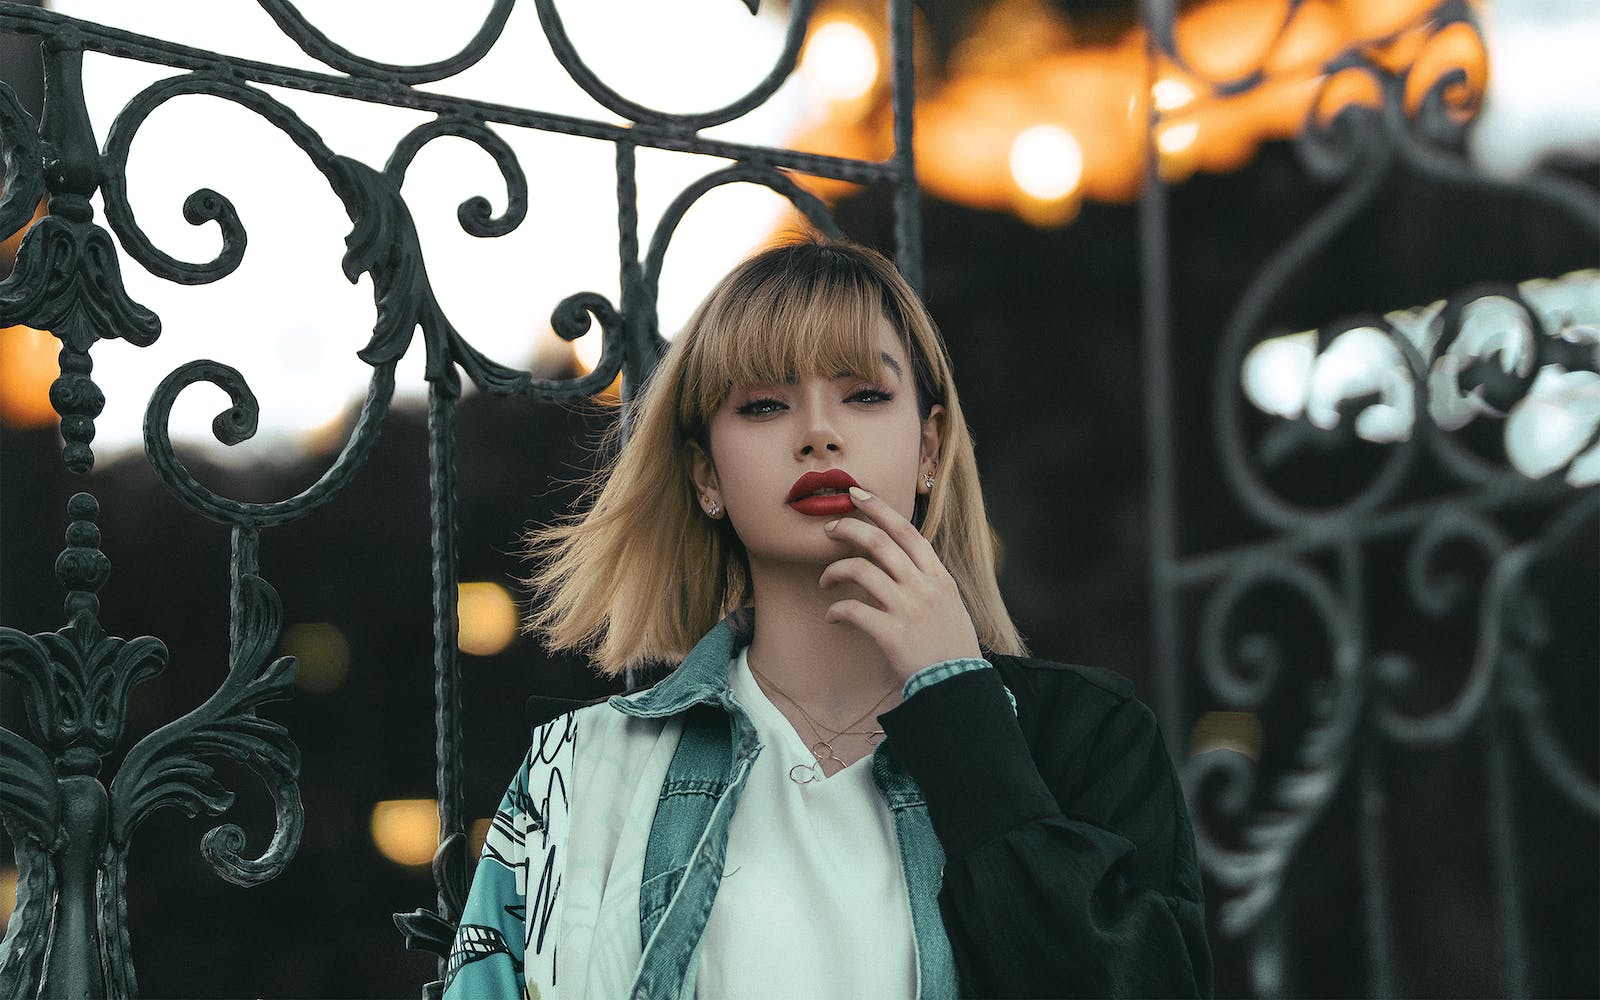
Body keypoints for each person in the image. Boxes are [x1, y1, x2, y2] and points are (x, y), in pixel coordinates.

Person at [441, 237, 1212, 999]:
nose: (818, 432)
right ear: (707, 475)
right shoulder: (579, 769)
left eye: (866, 395)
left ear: (929, 450)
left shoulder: (1088, 737)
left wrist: (959, 706)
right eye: (766, 404)